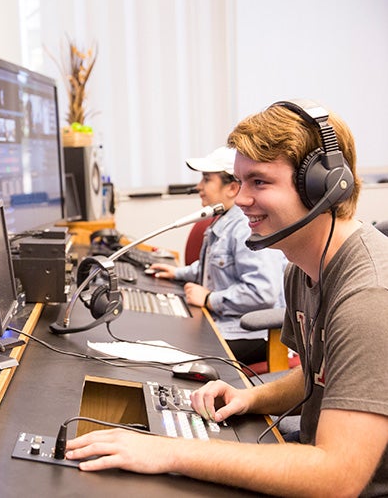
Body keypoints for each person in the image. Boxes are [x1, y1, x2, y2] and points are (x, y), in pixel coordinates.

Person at [64, 99, 388, 497]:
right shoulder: (300, 270)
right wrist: (250, 398)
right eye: (239, 181)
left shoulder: (370, 296)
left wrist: (170, 452)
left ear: (321, 187)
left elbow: (337, 478)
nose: (242, 199)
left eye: (260, 182)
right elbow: (318, 375)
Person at [150, 146, 286, 365]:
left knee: (180, 355)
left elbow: (262, 292)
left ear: (232, 188)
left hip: (252, 333)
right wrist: (178, 272)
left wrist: (208, 299)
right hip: (226, 323)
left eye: (206, 180)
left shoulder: (245, 227)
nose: (199, 187)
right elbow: (215, 268)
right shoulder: (224, 220)